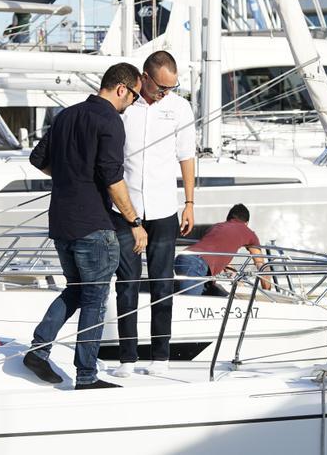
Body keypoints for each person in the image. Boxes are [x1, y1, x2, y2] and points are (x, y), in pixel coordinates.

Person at [23, 63, 146, 390]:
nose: (131, 103)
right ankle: (87, 376)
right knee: (94, 299)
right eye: (134, 96)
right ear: (122, 89)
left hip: (61, 222)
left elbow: (38, 158)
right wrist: (135, 222)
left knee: (76, 290)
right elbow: (113, 178)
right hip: (93, 224)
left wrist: (69, 176)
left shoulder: (66, 116)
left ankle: (39, 348)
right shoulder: (110, 121)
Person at [111, 51, 196, 378]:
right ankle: (127, 360)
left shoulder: (179, 108)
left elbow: (186, 156)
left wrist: (189, 202)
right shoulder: (125, 105)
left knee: (162, 282)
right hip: (126, 208)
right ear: (144, 77)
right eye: (161, 87)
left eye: (170, 87)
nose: (165, 93)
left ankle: (161, 356)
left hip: (163, 208)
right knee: (127, 284)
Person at [174, 204, 272, 296]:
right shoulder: (249, 233)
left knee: (216, 296)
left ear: (228, 219)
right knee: (190, 306)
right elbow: (261, 265)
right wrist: (268, 294)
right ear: (246, 223)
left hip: (184, 258)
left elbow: (221, 259)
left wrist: (237, 279)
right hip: (197, 263)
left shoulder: (216, 227)